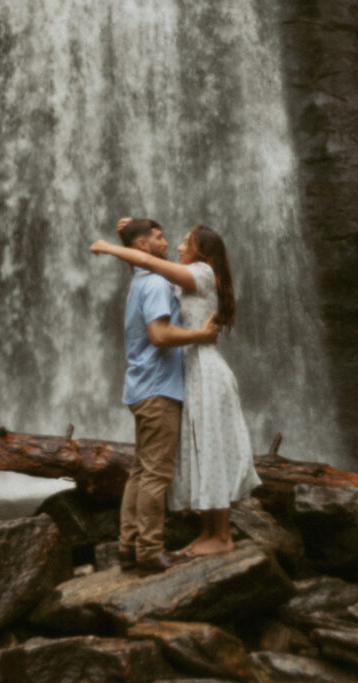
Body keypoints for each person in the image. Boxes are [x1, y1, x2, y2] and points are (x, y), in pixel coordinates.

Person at [91, 221, 261, 557]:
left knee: (210, 446)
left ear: (201, 252)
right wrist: (125, 234)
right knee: (202, 448)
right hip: (190, 373)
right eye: (168, 239)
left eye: (184, 242)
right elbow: (145, 261)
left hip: (206, 372)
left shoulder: (201, 272)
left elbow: (151, 261)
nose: (176, 246)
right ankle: (208, 532)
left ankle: (221, 535)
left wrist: (111, 248)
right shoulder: (180, 278)